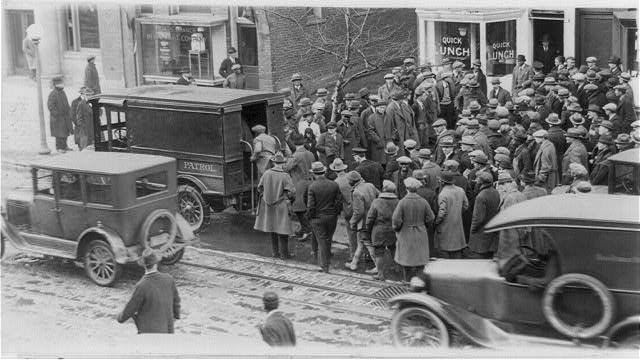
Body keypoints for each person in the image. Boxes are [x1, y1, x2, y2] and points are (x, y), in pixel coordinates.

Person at [117, 248, 180, 334]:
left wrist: (120, 318)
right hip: (167, 330)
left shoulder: (142, 285)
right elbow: (176, 301)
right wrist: (176, 315)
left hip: (148, 334)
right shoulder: (169, 279)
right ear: (156, 264)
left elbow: (130, 308)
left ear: (144, 266)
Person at [392, 177, 435, 282]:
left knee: (406, 261)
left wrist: (397, 229)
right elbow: (431, 217)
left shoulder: (402, 202)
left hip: (405, 233)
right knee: (420, 261)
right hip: (421, 232)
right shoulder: (423, 201)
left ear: (406, 188)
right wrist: (424, 226)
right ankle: (420, 284)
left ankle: (407, 282)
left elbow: (396, 219)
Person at [254, 152, 296, 259]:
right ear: (282, 163)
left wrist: (266, 195)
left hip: (268, 206)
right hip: (281, 205)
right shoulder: (285, 175)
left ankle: (275, 253)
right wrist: (289, 199)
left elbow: (259, 188)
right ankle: (284, 254)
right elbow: (291, 192)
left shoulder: (267, 173)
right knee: (283, 231)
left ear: (273, 162)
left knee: (272, 229)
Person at [307, 162, 343, 273]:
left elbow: (310, 206)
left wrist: (311, 217)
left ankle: (324, 265)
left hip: (318, 217)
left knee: (321, 240)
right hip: (331, 216)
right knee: (328, 239)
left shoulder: (312, 186)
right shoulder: (334, 184)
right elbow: (339, 201)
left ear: (314, 174)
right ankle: (327, 261)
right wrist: (336, 212)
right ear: (324, 172)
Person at [345, 171, 380, 273]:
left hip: (363, 222)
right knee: (360, 243)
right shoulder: (370, 185)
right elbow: (380, 195)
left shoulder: (356, 192)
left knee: (368, 244)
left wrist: (352, 222)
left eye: (348, 180)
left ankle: (378, 267)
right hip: (373, 218)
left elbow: (358, 212)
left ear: (352, 181)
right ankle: (354, 263)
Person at [365, 180, 400, 280]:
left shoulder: (376, 202)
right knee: (394, 249)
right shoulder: (398, 202)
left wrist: (367, 229)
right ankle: (397, 268)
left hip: (379, 230)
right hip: (393, 229)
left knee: (379, 252)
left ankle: (380, 274)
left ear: (384, 189)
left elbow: (370, 218)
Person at [435, 171, 469, 259]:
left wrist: (436, 222)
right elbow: (466, 205)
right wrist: (457, 212)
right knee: (457, 251)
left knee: (445, 252)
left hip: (445, 226)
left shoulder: (443, 194)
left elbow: (442, 212)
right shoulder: (460, 190)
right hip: (457, 223)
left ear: (442, 182)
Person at [467, 172, 500, 259]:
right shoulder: (495, 192)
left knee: (478, 264)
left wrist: (472, 230)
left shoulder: (481, 196)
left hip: (480, 236)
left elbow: (478, 218)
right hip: (491, 234)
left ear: (481, 182)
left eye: (478, 181)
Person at [331, 158, 357, 259]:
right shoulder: (351, 176)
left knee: (351, 233)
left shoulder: (336, 182)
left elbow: (337, 199)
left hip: (348, 209)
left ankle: (353, 254)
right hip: (358, 205)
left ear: (335, 170)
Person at [47, 76, 72, 153]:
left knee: (65, 132)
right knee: (59, 134)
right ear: (55, 85)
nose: (62, 85)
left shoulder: (62, 92)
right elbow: (50, 106)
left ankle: (65, 146)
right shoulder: (53, 94)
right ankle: (59, 148)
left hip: (65, 116)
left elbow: (66, 103)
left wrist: (69, 111)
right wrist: (56, 114)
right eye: (60, 84)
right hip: (57, 118)